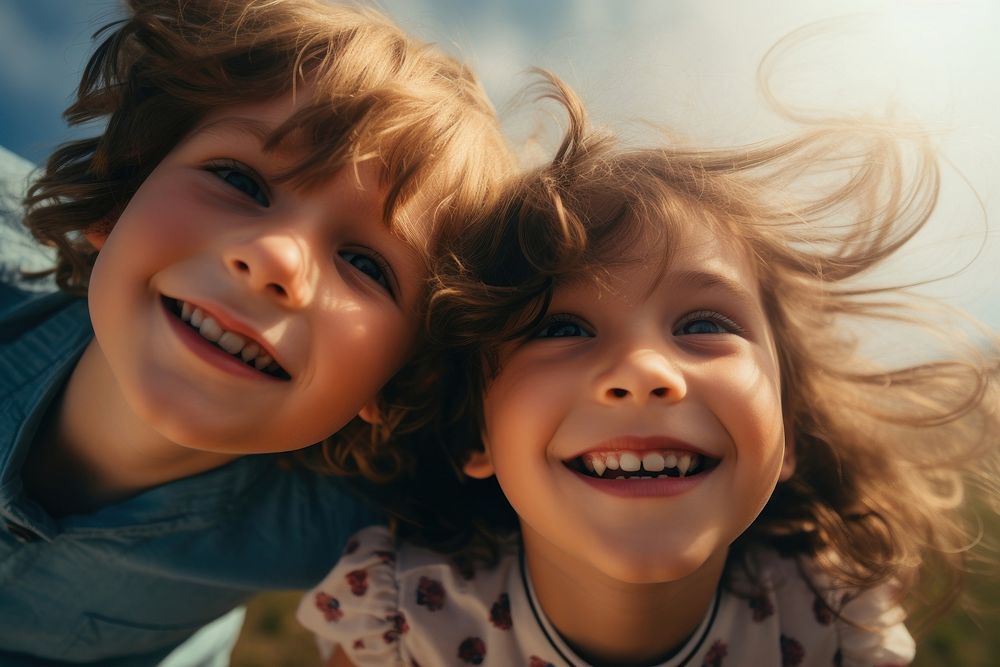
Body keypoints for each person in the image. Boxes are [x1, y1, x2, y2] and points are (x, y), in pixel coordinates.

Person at [297, 77, 1000, 666]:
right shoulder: (401, 619)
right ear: (474, 431)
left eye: (703, 325)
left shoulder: (831, 611)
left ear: (786, 425)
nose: (642, 371)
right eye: (561, 328)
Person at [0, 0, 512, 664]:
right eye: (238, 179)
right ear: (120, 198)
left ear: (399, 377)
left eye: (364, 264)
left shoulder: (352, 525)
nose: (277, 259)